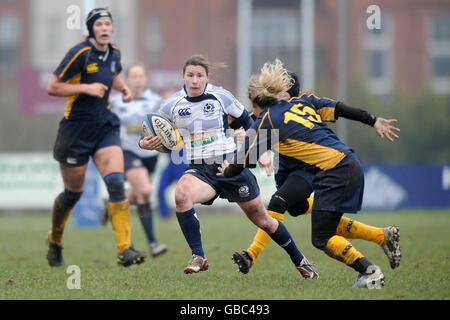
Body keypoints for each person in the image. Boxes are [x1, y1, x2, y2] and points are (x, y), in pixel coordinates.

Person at [218, 59, 401, 288]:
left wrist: (226, 171)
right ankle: (381, 238)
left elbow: (243, 162)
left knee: (319, 235)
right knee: (312, 217)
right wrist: (372, 120)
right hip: (342, 165)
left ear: (257, 101)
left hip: (333, 170)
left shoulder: (268, 119)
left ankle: (370, 272)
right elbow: (341, 108)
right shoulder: (302, 102)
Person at [139, 54, 318, 278]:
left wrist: (260, 151)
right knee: (182, 195)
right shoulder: (172, 104)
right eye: (190, 75)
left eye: (199, 76)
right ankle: (198, 256)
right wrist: (144, 143)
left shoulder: (221, 96)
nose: (195, 80)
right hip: (200, 170)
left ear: (207, 77)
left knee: (264, 220)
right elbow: (150, 132)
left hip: (229, 165)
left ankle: (300, 260)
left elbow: (249, 122)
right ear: (183, 76)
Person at [46, 8, 146, 267]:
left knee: (115, 182)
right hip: (75, 132)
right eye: (99, 24)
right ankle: (55, 241)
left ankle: (125, 249)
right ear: (91, 29)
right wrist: (86, 88)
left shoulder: (114, 53)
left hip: (105, 127)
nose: (104, 28)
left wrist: (123, 89)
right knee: (72, 194)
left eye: (107, 24)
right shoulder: (79, 53)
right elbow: (53, 86)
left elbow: (111, 73)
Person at [104, 62, 167, 257]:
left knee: (139, 195)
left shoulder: (156, 101)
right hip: (127, 151)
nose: (137, 80)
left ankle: (111, 203)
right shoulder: (116, 101)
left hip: (150, 155)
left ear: (146, 79)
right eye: (133, 77)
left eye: (141, 76)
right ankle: (153, 243)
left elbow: (165, 124)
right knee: (146, 192)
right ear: (127, 80)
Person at [157, 149, 189, 220]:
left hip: (183, 165)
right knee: (160, 190)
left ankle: (188, 214)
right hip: (171, 165)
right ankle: (166, 214)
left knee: (186, 193)